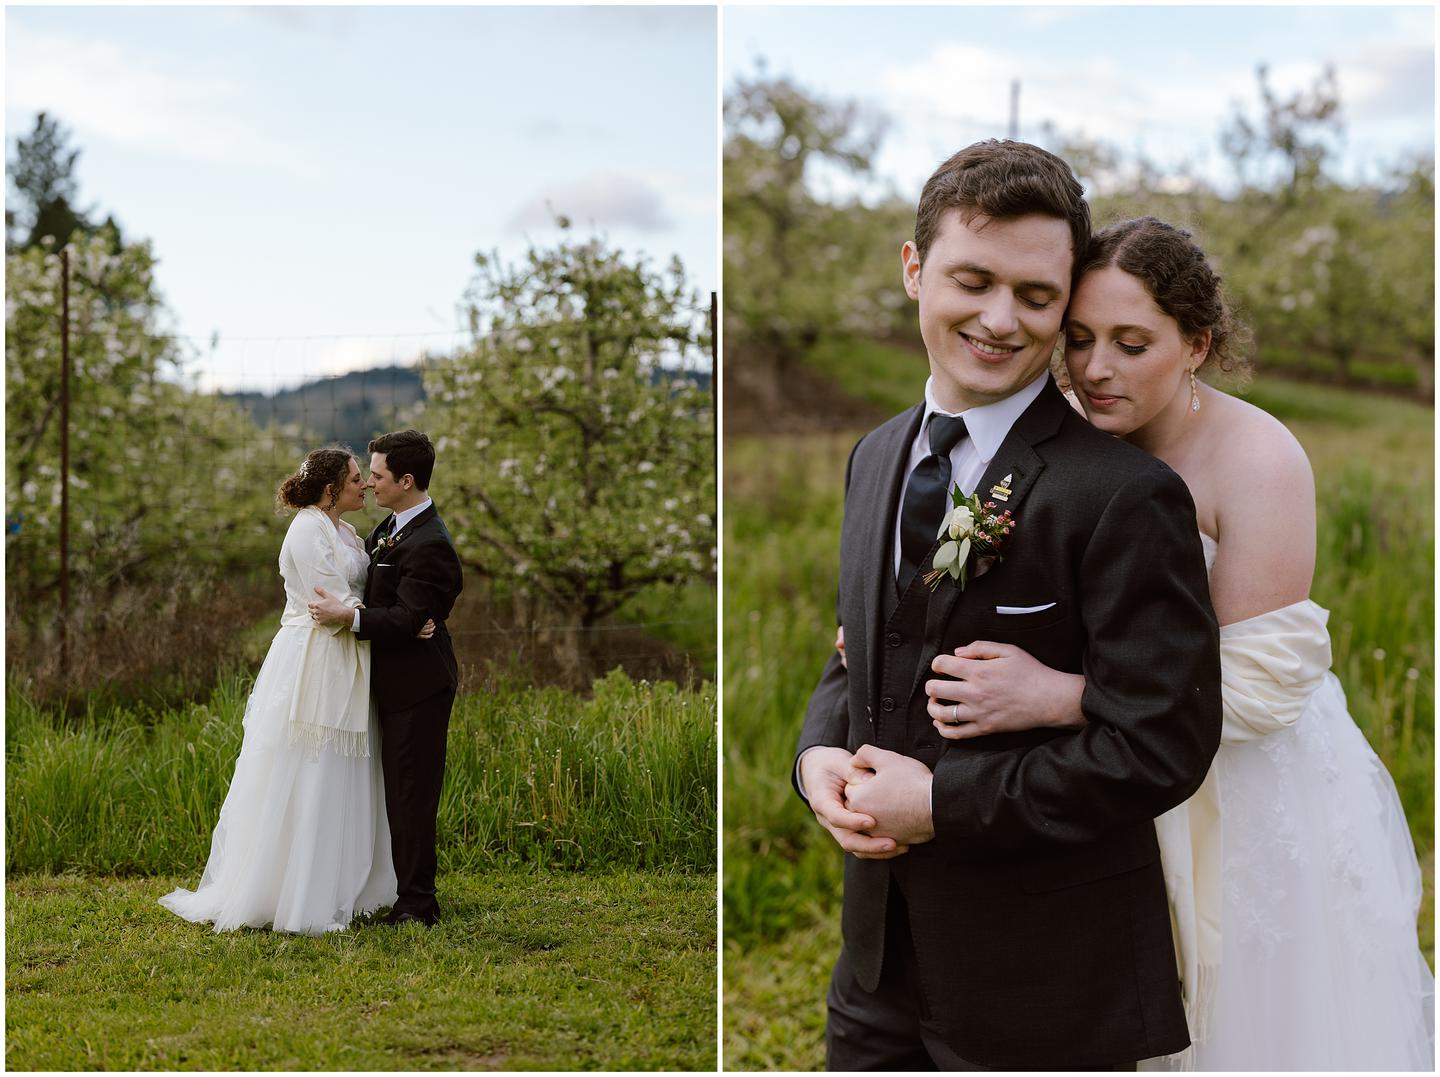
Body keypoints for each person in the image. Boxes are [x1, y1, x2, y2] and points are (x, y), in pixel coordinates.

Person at [905, 216, 1434, 1070]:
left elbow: (1260, 683)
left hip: (1236, 784)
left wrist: (1063, 695)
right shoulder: (1053, 443)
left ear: (1196, 344)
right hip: (1096, 781)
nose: (1096, 369)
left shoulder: (1257, 460)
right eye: (1078, 339)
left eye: (1131, 342)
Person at [794, 140, 1223, 1071]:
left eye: (1035, 296)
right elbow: (858, 649)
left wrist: (942, 800)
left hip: (1046, 982)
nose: (1000, 319)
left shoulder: (1121, 492)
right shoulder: (874, 455)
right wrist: (816, 750)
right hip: (872, 967)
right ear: (914, 270)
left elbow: (1162, 743)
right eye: (972, 280)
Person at [159, 447, 428, 934]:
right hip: (316, 657)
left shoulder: (344, 530)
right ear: (330, 490)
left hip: (350, 653)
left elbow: (361, 601)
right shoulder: (306, 529)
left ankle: (347, 883)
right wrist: (402, 624)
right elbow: (333, 603)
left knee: (347, 769)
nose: (363, 485)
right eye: (353, 479)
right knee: (313, 767)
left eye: (366, 477)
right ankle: (298, 892)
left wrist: (401, 617)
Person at [310, 429, 464, 927]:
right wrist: (393, 615)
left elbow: (404, 617)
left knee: (411, 794)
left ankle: (419, 903)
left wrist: (349, 618)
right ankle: (395, 890)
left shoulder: (432, 543)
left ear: (407, 479)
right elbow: (396, 609)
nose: (370, 484)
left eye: (376, 476)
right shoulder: (391, 528)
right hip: (389, 681)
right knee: (393, 792)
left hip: (418, 687)